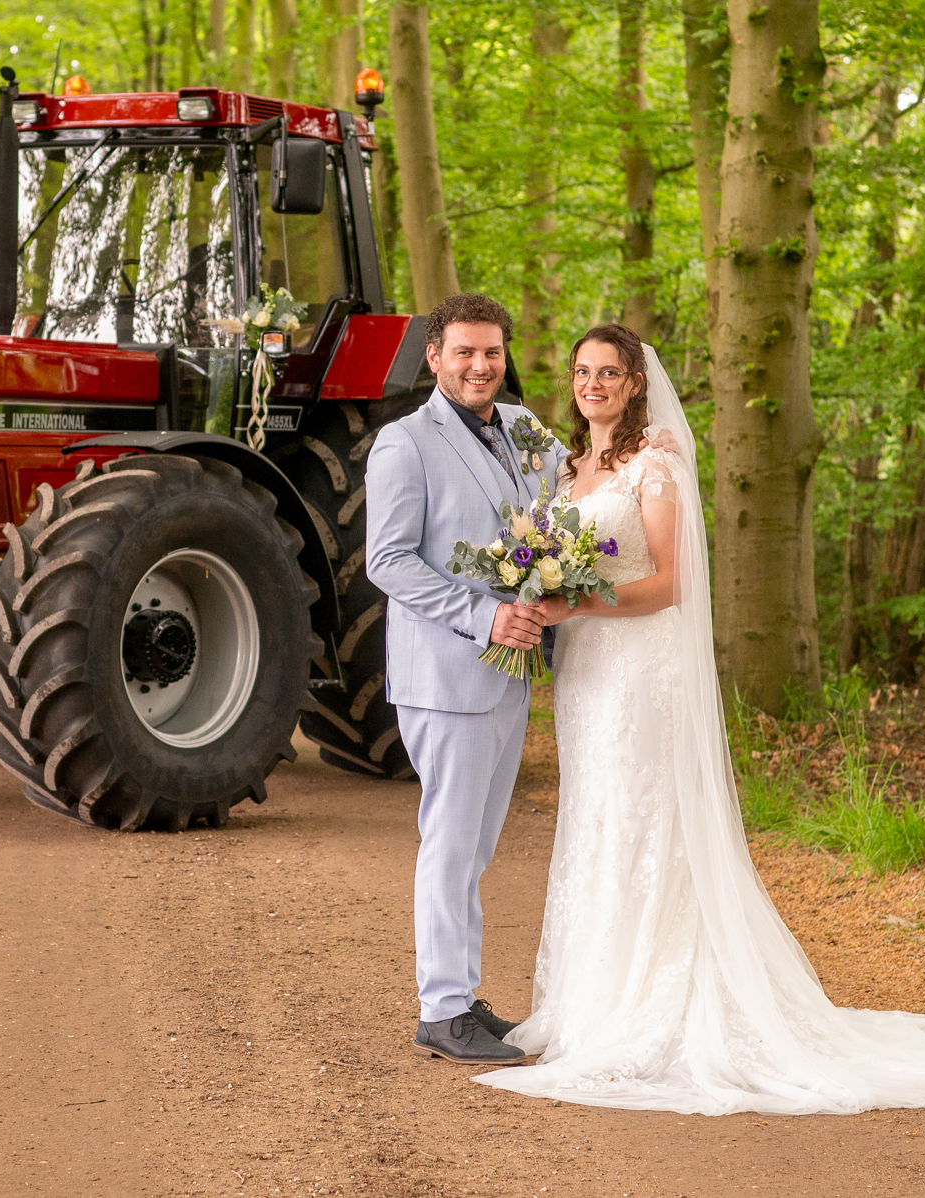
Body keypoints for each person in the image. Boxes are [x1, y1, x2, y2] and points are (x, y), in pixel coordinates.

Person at [474, 324, 925, 1113]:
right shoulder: (573, 466)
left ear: (635, 384)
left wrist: (575, 599)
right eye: (583, 372)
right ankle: (592, 1002)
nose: (593, 385)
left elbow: (673, 584)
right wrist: (544, 593)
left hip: (639, 668)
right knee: (600, 819)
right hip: (585, 672)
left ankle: (653, 1003)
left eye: (609, 373)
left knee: (647, 821)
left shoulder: (657, 465)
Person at [363, 293, 569, 1065]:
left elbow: (564, 504)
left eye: (492, 353)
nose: (480, 366)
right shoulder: (403, 444)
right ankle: (442, 1009)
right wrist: (483, 619)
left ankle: (464, 995)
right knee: (451, 842)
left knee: (477, 846)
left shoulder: (523, 429)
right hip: (447, 671)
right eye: (464, 353)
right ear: (435, 358)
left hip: (513, 670)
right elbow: (388, 561)